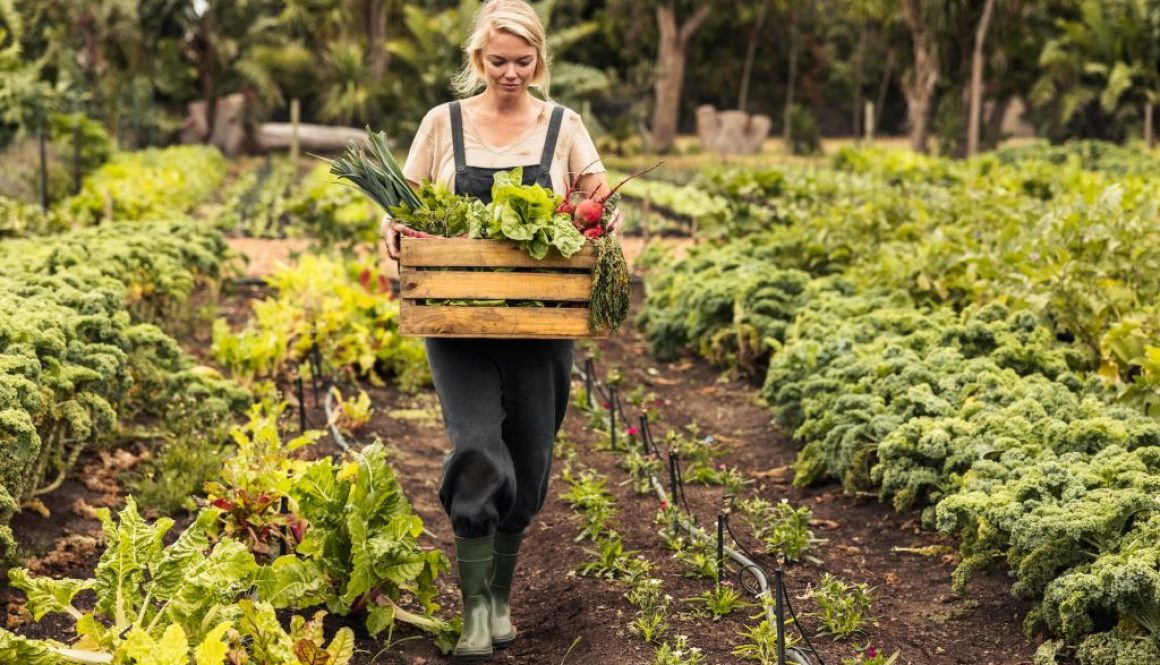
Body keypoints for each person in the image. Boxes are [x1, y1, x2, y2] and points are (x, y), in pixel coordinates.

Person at [381, 0, 618, 657]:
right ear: (476, 61)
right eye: (497, 61)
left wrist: (604, 217)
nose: (510, 73)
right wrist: (397, 236)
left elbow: (598, 194)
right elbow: (401, 212)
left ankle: (501, 597)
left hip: (541, 321)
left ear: (539, 60)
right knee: (478, 445)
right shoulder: (442, 123)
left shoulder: (564, 126)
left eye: (522, 61)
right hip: (456, 318)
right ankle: (474, 613)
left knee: (533, 460)